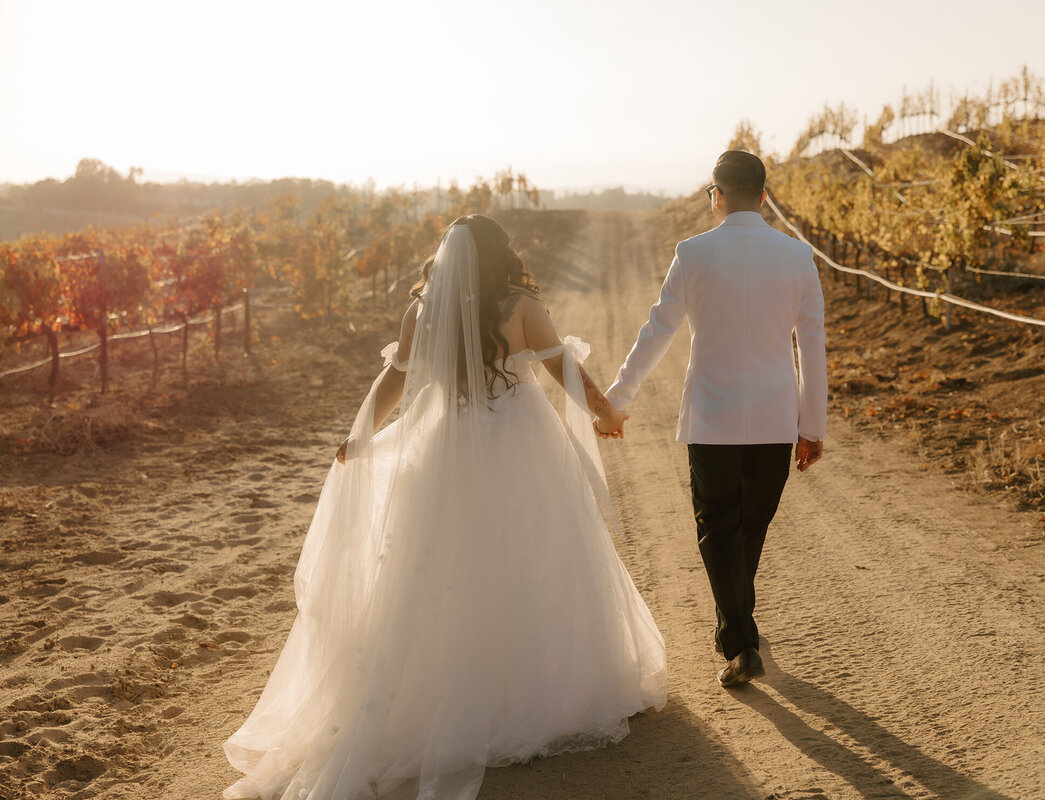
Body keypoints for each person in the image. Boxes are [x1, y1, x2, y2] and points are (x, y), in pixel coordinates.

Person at [222, 215, 667, 800]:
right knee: (535, 554)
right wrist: (607, 414)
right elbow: (565, 372)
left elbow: (394, 383)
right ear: (499, 255)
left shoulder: (422, 312)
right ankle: (532, 692)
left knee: (440, 570)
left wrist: (360, 436)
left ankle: (444, 694)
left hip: (444, 445)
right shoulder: (521, 306)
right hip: (516, 441)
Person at [605, 151, 827, 689]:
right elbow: (813, 347)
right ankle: (739, 632)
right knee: (749, 526)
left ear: (717, 195)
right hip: (775, 419)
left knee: (718, 528)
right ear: (766, 195)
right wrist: (812, 424)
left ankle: (739, 636)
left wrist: (618, 398)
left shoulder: (693, 253)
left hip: (711, 418)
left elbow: (658, 331)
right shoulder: (798, 257)